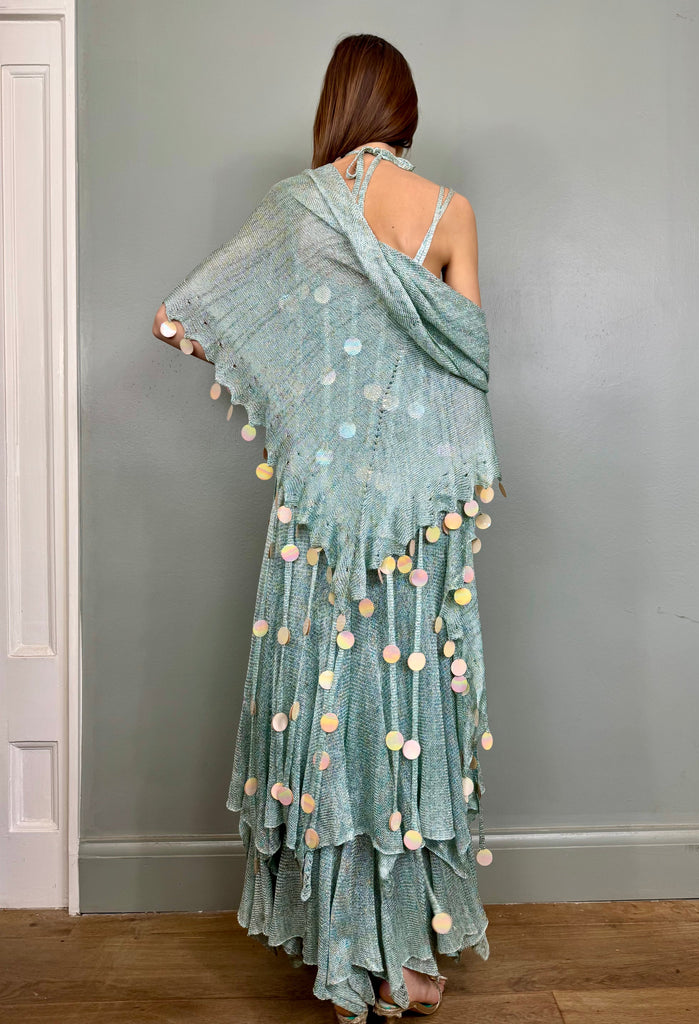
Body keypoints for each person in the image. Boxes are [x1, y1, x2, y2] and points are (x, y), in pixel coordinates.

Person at [152, 32, 503, 1024]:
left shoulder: (298, 208)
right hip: (418, 512)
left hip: (319, 507)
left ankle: (340, 947)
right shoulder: (450, 211)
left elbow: (178, 321)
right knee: (409, 708)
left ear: (337, 106)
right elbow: (469, 362)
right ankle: (408, 962)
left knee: (329, 704)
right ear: (405, 111)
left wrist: (307, 388)